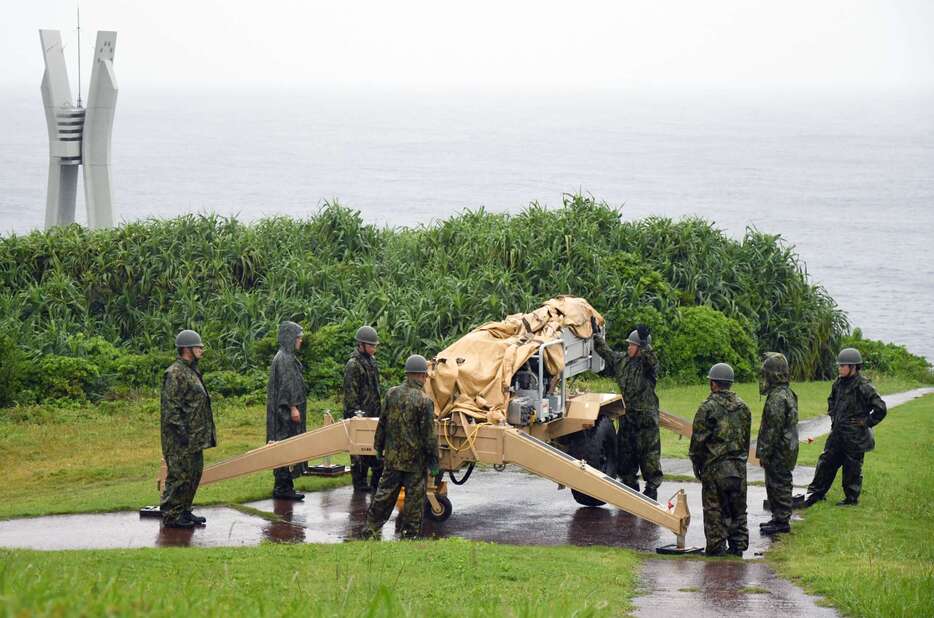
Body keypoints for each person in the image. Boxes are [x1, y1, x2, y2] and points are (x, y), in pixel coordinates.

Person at [364, 354, 439, 539]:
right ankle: (409, 536)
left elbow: (382, 423)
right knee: (414, 501)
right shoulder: (425, 401)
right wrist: (434, 461)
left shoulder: (391, 394)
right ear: (421, 376)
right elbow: (429, 436)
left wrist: (378, 447)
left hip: (392, 460)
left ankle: (370, 529)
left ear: (407, 374)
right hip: (415, 463)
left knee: (383, 496)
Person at [804, 348, 886, 507]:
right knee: (826, 462)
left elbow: (881, 408)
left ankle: (851, 499)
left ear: (853, 367)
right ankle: (817, 494)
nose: (840, 368)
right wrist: (833, 415)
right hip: (837, 434)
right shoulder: (838, 383)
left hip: (855, 437)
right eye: (839, 365)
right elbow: (831, 400)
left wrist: (866, 422)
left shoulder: (864, 386)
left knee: (852, 468)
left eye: (843, 366)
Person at [591, 319, 662, 500]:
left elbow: (652, 362)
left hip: (646, 419)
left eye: (632, 345)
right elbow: (606, 352)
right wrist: (596, 336)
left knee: (649, 455)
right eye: (629, 345)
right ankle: (630, 486)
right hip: (628, 417)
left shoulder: (647, 366)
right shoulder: (622, 360)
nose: (629, 347)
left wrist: (645, 344)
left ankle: (652, 489)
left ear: (640, 348)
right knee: (625, 454)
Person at [689, 362, 751, 556]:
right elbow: (746, 439)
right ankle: (738, 545)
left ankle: (716, 548)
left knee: (714, 510)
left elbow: (698, 442)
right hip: (738, 467)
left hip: (714, 467)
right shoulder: (744, 407)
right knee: (738, 509)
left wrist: (697, 465)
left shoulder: (707, 408)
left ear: (714, 383)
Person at [160, 329, 217, 528]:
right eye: (198, 346)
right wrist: (183, 434)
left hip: (194, 438)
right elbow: (171, 409)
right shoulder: (175, 373)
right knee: (179, 477)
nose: (202, 349)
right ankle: (172, 516)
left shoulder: (191, 370)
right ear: (186, 349)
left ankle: (184, 511)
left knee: (193, 474)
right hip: (179, 440)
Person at [756, 353, 799, 535]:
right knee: (778, 482)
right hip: (787, 447)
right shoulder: (786, 392)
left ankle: (781, 521)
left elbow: (772, 430)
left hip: (779, 450)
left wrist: (764, 452)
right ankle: (778, 518)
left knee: (778, 483)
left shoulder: (777, 398)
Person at [266, 320, 307, 501]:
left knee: (289, 445)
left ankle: (285, 486)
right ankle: (282, 487)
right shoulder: (283, 359)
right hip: (284, 414)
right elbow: (285, 387)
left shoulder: (288, 357)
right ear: (290, 338)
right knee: (283, 444)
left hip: (287, 411)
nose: (300, 341)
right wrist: (292, 407)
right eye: (298, 338)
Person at [343, 325, 383, 491]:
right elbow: (351, 393)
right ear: (361, 345)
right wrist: (357, 415)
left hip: (373, 413)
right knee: (359, 455)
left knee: (376, 453)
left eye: (374, 345)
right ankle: (359, 486)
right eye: (371, 345)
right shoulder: (353, 364)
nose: (374, 348)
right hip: (359, 415)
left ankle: (374, 484)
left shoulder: (371, 362)